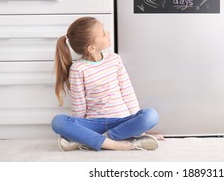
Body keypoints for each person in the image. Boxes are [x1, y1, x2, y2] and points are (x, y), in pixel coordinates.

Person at [51, 17, 162, 151]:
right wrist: (78, 129)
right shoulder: (78, 69)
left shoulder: (114, 59)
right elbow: (79, 108)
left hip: (122, 120)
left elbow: (127, 92)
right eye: (103, 33)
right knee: (58, 122)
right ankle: (117, 144)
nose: (108, 33)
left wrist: (141, 129)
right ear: (92, 48)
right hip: (94, 123)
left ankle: (91, 141)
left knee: (151, 115)